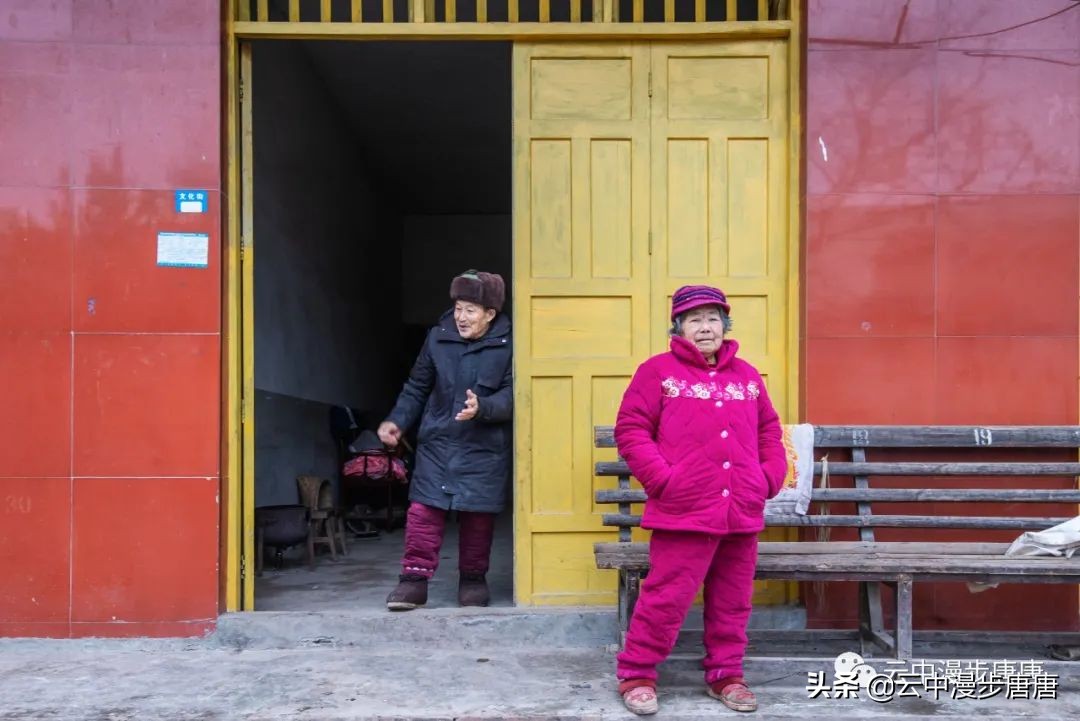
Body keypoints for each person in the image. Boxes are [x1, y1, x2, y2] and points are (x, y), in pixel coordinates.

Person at [612, 285, 786, 715]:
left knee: (733, 598)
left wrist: (768, 478)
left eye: (712, 319)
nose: (705, 327)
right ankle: (637, 674)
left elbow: (769, 430)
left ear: (724, 326)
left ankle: (726, 675)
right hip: (683, 509)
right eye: (694, 320)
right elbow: (631, 430)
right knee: (666, 596)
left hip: (741, 508)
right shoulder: (657, 372)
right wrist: (663, 480)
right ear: (679, 328)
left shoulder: (746, 376)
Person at [379, 270, 512, 611]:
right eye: (457, 308)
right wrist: (397, 421)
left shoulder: (509, 344)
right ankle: (413, 581)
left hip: (484, 445)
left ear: (490, 314)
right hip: (439, 440)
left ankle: (472, 579)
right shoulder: (437, 338)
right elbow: (417, 386)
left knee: (478, 515)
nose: (461, 317)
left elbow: (517, 394)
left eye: (470, 310)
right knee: (424, 510)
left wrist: (484, 407)